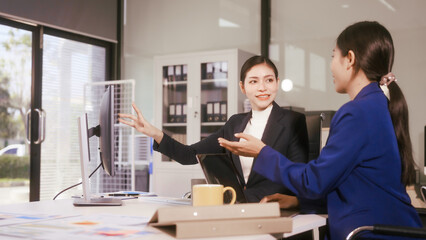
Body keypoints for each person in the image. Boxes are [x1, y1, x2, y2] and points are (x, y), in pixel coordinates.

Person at [218, 21, 422, 239]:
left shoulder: (356, 112)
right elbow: (357, 186)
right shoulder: (376, 105)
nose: (331, 64)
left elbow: (313, 182)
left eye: (333, 56)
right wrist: (298, 201)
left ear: (350, 59)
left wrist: (262, 152)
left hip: (369, 233)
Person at [118, 55, 309, 203]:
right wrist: (154, 133)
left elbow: (300, 177)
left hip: (274, 211)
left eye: (269, 80)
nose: (262, 88)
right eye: (253, 81)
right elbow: (189, 154)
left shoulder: (293, 121)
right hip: (235, 208)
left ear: (277, 82)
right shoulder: (235, 124)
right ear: (243, 87)